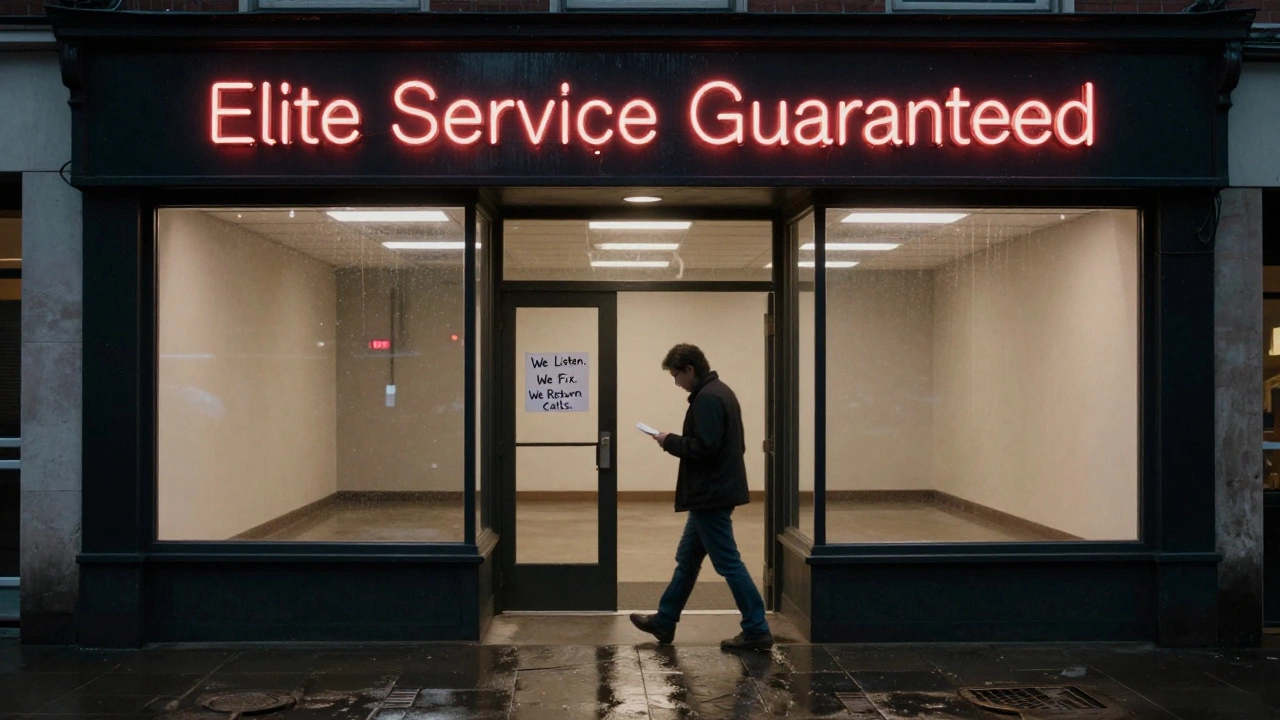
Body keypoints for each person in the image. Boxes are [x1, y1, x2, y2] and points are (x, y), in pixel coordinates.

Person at [630, 344, 773, 651]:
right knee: (688, 559)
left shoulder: (708, 399)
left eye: (676, 375)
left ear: (690, 369)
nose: (676, 382)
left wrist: (670, 441)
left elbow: (706, 448)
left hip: (710, 494)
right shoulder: (722, 392)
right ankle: (665, 621)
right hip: (712, 492)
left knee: (728, 563)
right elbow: (732, 446)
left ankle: (757, 628)